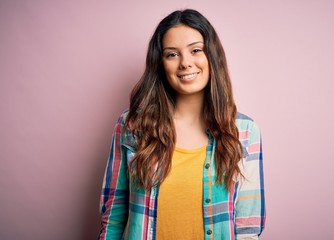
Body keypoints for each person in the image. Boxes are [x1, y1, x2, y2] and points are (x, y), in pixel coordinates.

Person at [98, 9, 265, 240]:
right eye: (172, 54)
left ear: (212, 56)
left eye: (196, 50)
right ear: (160, 63)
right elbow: (114, 218)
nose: (185, 63)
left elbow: (248, 228)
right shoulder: (132, 126)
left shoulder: (244, 131)